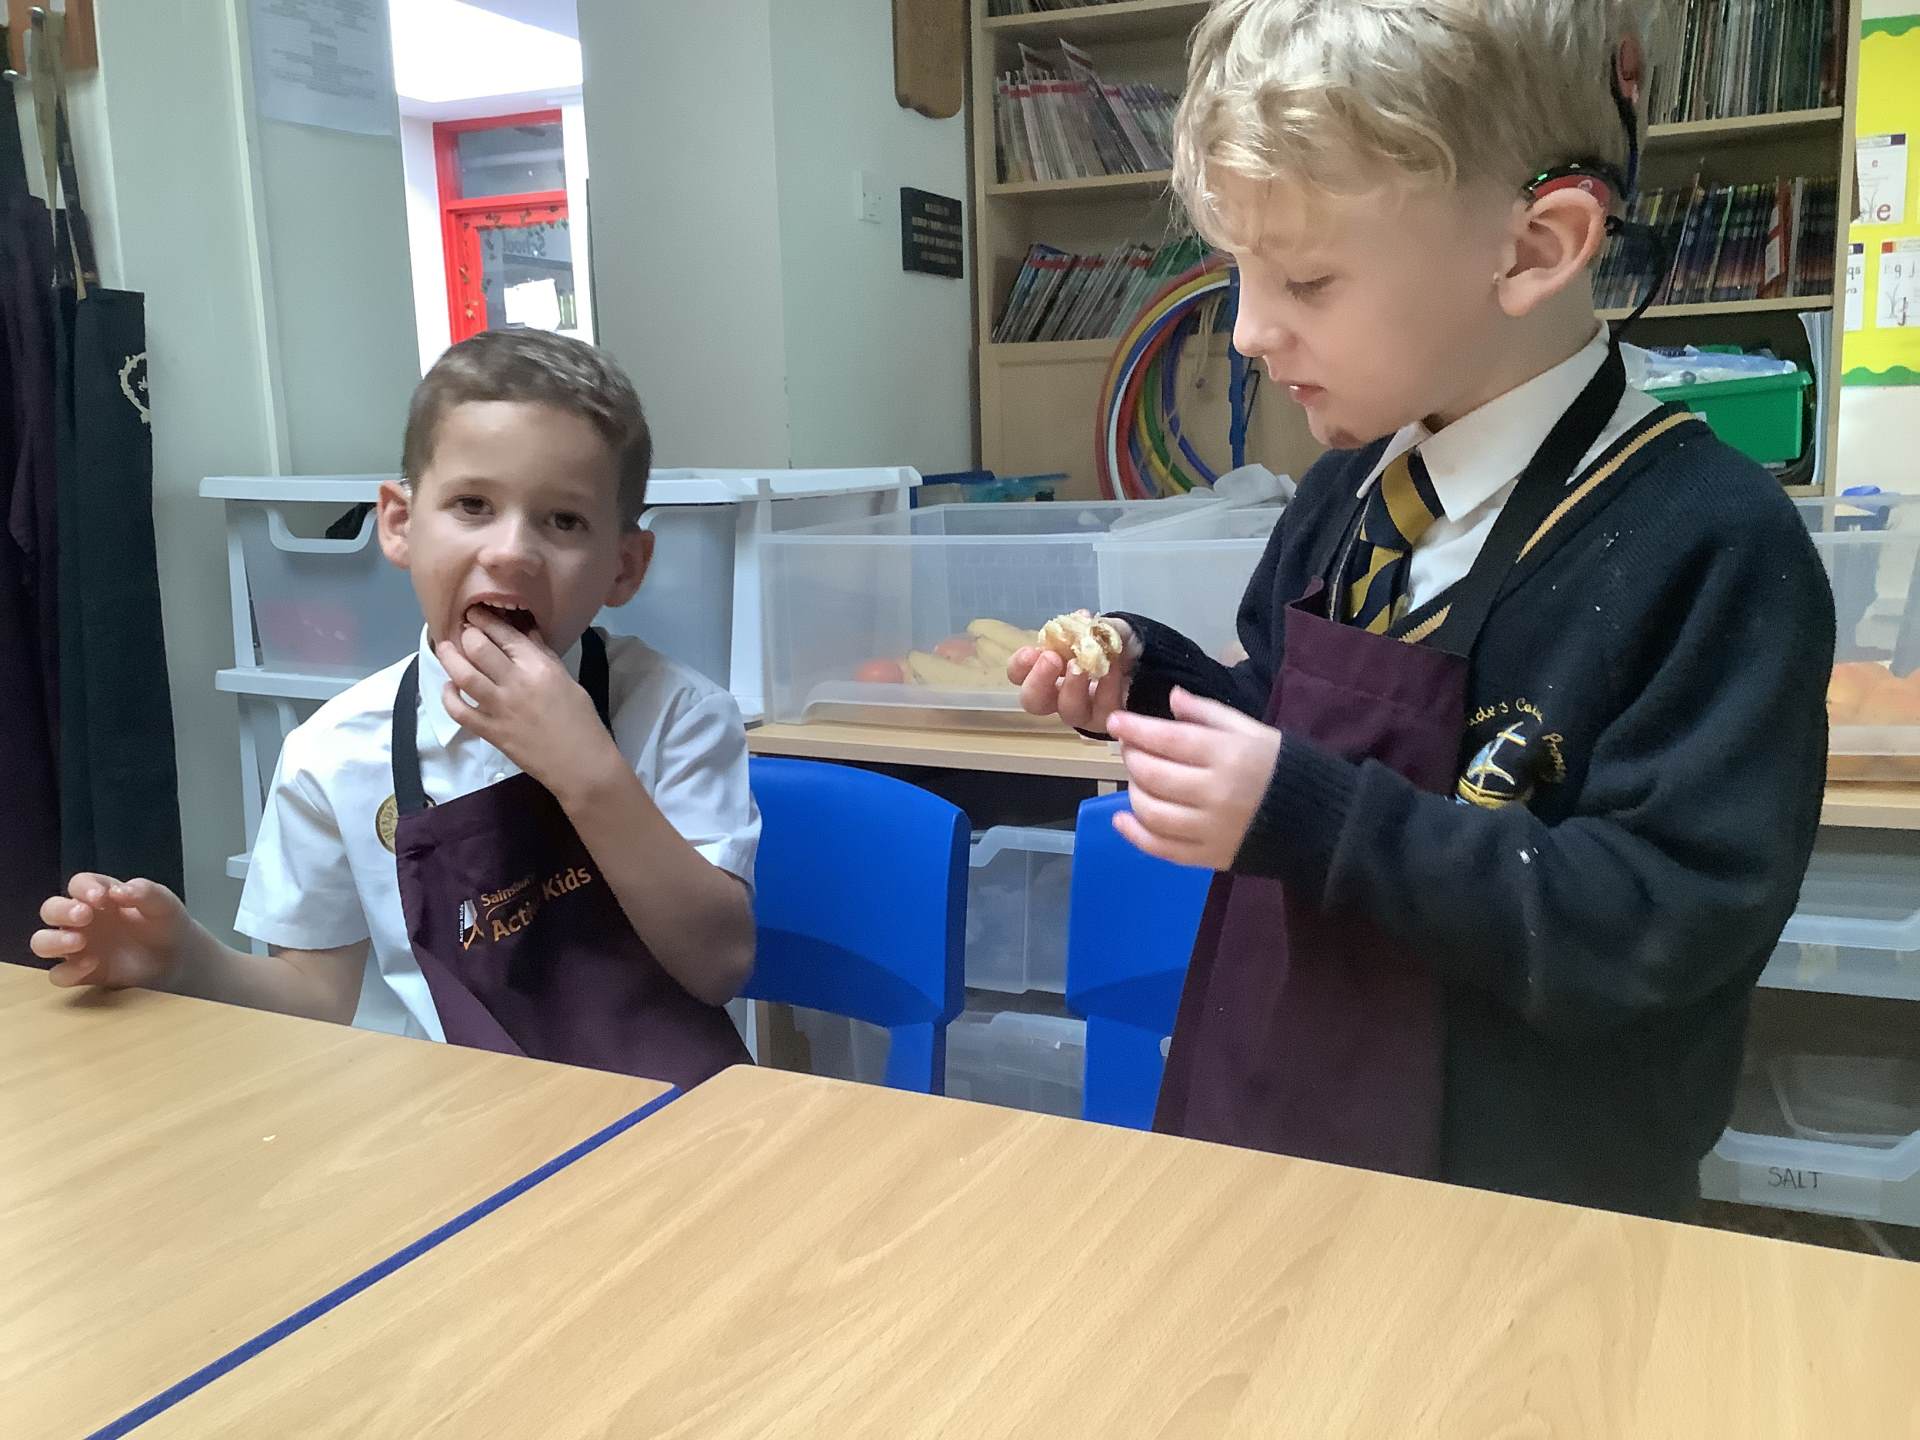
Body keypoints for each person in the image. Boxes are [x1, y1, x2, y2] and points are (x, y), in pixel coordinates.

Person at [1010, 0, 1834, 1218]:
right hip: (1276, 1143)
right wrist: (1150, 686)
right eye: (1239, 274)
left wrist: (1311, 815)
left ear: (1535, 249)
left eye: (1306, 279)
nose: (1248, 332)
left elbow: (1658, 927)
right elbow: (1285, 725)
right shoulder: (1345, 492)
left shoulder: (1710, 546)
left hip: (1521, 1212)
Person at [32, 330, 756, 1088]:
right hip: (470, 1118)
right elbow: (315, 998)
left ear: (625, 565)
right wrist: (186, 962)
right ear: (400, 524)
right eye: (473, 505)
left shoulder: (680, 716)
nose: (511, 552)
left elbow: (717, 966)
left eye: (564, 520)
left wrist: (587, 770)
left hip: (674, 1115)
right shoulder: (335, 752)